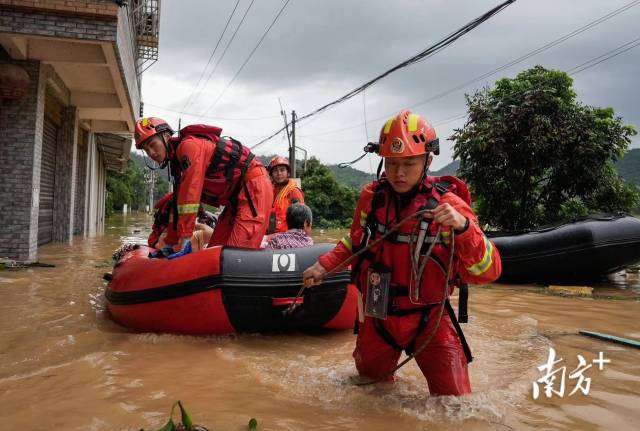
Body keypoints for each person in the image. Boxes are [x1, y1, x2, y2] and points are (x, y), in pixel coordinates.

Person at [303, 110, 502, 396]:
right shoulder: (372, 199)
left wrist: (463, 228)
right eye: (392, 163)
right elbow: (357, 241)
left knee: (455, 405)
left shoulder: (451, 208)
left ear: (428, 161)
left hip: (429, 318)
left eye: (409, 163)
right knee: (368, 392)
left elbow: (490, 270)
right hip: (378, 315)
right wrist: (323, 266)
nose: (398, 173)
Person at [135, 117, 273, 252]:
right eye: (146, 150)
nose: (151, 153)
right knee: (214, 251)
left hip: (254, 187)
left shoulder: (189, 147)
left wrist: (185, 237)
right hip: (235, 200)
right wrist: (171, 242)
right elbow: (179, 207)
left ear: (165, 136)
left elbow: (191, 195)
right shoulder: (177, 164)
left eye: (153, 145)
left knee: (235, 257)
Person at [267, 156, 305, 234]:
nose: (279, 173)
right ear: (271, 174)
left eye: (282, 170)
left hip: (288, 236)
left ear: (288, 173)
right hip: (270, 235)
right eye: (275, 171)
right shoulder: (269, 191)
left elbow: (300, 218)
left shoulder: (294, 192)